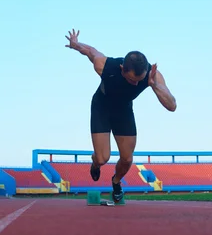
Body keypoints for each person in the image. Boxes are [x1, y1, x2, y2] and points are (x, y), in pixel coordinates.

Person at [65, 29, 177, 202]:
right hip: (101, 107)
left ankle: (116, 182)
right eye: (132, 80)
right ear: (122, 69)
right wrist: (75, 44)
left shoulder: (151, 75)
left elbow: (172, 105)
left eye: (139, 81)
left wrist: (154, 85)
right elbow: (91, 51)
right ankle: (95, 163)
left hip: (123, 111)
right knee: (103, 158)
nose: (135, 84)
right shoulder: (106, 65)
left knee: (127, 158)